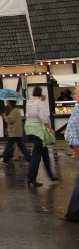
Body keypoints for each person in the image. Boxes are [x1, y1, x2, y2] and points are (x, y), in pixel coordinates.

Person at [25, 86, 58, 186]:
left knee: (45, 153)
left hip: (30, 127)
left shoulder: (29, 102)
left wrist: (42, 101)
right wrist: (50, 129)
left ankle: (51, 175)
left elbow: (29, 114)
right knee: (36, 155)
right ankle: (31, 178)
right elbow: (44, 118)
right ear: (41, 93)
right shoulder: (40, 103)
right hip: (38, 130)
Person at [63, 87, 79, 222]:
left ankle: (73, 213)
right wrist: (76, 148)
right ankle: (73, 213)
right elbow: (70, 133)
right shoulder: (78, 110)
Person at [2, 100, 31, 165]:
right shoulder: (16, 110)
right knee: (21, 146)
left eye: (8, 103)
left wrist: (5, 116)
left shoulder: (14, 111)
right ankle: (29, 159)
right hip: (16, 132)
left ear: (10, 104)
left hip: (14, 132)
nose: (7, 104)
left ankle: (5, 160)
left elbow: (10, 120)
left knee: (9, 146)